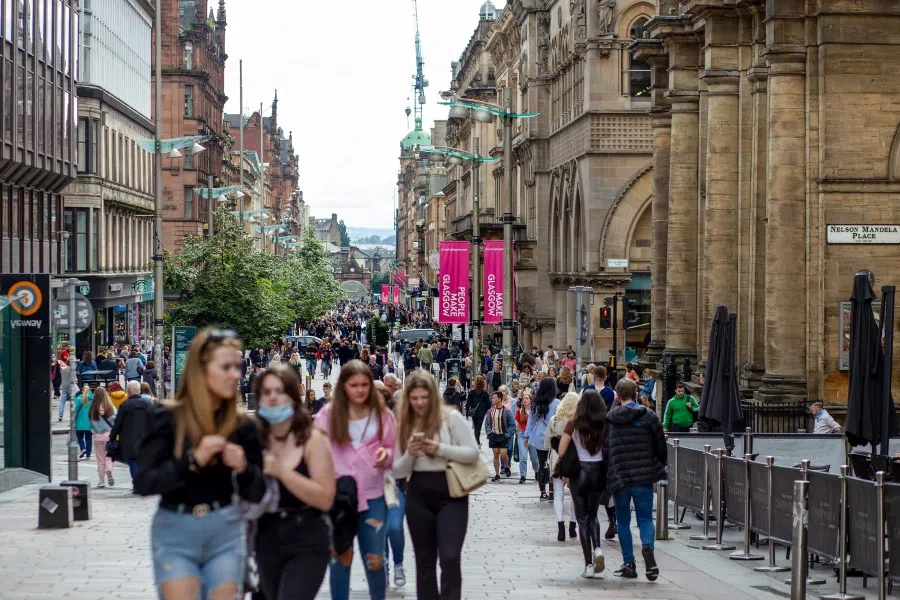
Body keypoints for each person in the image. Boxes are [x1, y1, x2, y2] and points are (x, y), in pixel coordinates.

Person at [134, 328, 265, 599]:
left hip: (226, 528)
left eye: (237, 367)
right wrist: (192, 461)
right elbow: (145, 482)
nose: (236, 375)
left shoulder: (243, 426)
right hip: (175, 528)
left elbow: (258, 492)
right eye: (226, 367)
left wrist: (243, 469)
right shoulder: (166, 418)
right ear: (201, 370)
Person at [393, 370, 479, 600]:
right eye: (415, 398)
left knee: (450, 556)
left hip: (451, 491)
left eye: (424, 397)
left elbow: (472, 453)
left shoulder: (450, 418)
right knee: (424, 561)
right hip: (418, 493)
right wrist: (410, 453)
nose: (420, 403)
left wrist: (439, 449)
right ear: (408, 399)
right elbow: (396, 470)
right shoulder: (403, 424)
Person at [314, 360, 396, 600]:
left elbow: (395, 450)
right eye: (354, 385)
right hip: (339, 496)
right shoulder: (328, 415)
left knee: (375, 559)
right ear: (343, 386)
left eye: (364, 385)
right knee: (340, 556)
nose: (360, 390)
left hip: (373, 497)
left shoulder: (383, 415)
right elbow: (315, 450)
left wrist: (387, 455)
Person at [254, 364, 336, 600]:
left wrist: (282, 472)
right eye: (266, 392)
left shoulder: (312, 439)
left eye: (279, 391)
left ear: (292, 395)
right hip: (266, 535)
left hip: (306, 535)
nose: (272, 397)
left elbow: (324, 498)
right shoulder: (253, 438)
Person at [605, 378, 667, 581]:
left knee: (623, 520)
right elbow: (660, 446)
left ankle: (629, 563)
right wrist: (658, 465)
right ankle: (647, 548)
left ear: (618, 395)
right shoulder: (648, 416)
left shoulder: (611, 419)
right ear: (635, 394)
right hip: (643, 476)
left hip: (620, 477)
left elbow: (606, 450)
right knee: (645, 518)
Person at [558, 390, 609, 578]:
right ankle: (598, 549)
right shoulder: (604, 424)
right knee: (594, 515)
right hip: (598, 472)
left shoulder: (574, 424)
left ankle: (588, 564)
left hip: (580, 474)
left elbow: (562, 450)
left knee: (582, 519)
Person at [545, 392, 578, 540]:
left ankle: (560, 526)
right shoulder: (577, 421)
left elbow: (547, 442)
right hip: (574, 459)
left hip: (557, 459)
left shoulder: (554, 420)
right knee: (574, 495)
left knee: (558, 494)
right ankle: (572, 525)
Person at [524, 377, 561, 500]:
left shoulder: (536, 403)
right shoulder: (556, 403)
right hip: (552, 437)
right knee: (552, 464)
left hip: (539, 436)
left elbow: (531, 421)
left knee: (541, 463)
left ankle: (542, 492)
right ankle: (551, 492)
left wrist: (527, 435)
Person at [484, 391, 515, 482]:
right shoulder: (490, 411)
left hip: (503, 436)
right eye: (492, 398)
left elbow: (512, 424)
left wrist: (507, 434)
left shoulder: (507, 411)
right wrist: (489, 433)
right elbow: (487, 423)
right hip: (493, 435)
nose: (492, 399)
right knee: (496, 454)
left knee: (503, 454)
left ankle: (506, 466)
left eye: (494, 398)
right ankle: (497, 474)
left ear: (500, 399)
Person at [89, 386, 116, 488]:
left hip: (97, 437)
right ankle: (108, 470)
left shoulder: (92, 409)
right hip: (108, 436)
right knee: (108, 457)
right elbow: (115, 420)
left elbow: (91, 424)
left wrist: (95, 430)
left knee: (100, 460)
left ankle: (101, 481)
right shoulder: (110, 407)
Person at [515, 390, 539, 484]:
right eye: (523, 398)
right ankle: (523, 475)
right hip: (522, 434)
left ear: (530, 400)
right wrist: (517, 435)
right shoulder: (519, 411)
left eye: (527, 398)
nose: (524, 400)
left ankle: (537, 472)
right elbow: (518, 425)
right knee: (523, 456)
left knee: (534, 458)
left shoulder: (535, 412)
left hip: (532, 435)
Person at [468, 376, 491, 445]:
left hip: (473, 412)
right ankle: (477, 441)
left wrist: (467, 411)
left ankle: (476, 440)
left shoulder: (472, 392)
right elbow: (489, 404)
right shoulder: (485, 393)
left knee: (476, 426)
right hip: (481, 412)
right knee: (478, 427)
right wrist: (486, 410)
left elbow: (468, 402)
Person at [73, 384, 94, 459]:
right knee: (89, 439)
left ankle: (83, 448)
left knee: (79, 437)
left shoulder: (79, 399)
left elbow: (75, 411)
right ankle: (88, 455)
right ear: (90, 391)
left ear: (82, 391)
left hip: (79, 422)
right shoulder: (93, 399)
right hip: (89, 423)